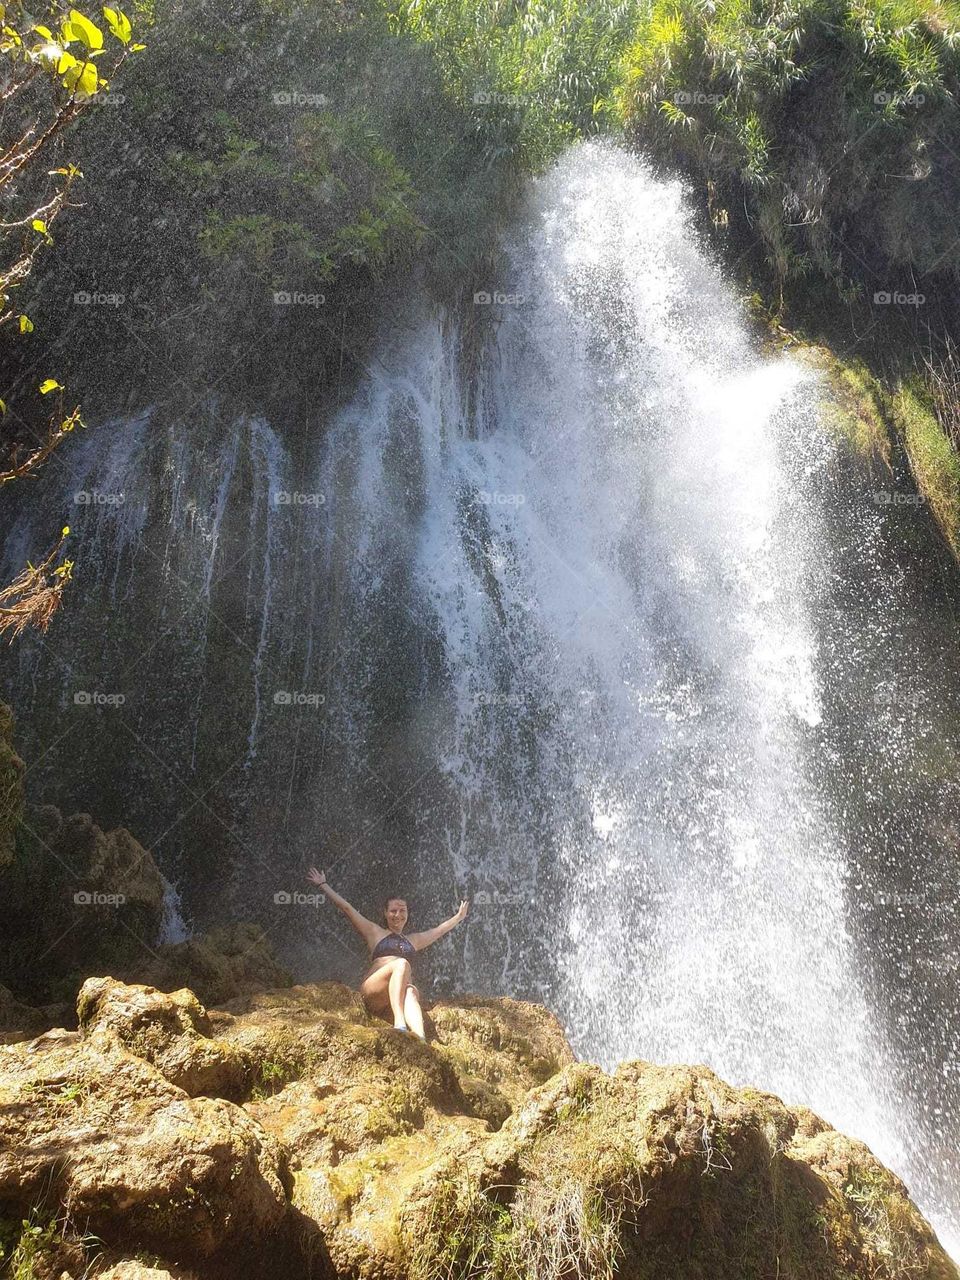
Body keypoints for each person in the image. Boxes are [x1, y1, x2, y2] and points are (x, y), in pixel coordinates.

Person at [306, 867, 468, 1041]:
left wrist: (458, 917)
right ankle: (400, 1023)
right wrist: (323, 885)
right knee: (402, 963)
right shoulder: (374, 932)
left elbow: (438, 931)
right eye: (393, 911)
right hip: (373, 992)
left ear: (407, 913)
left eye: (402, 910)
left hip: (397, 995)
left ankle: (421, 1040)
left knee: (412, 991)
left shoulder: (413, 940)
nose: (398, 915)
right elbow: (347, 908)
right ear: (385, 913)